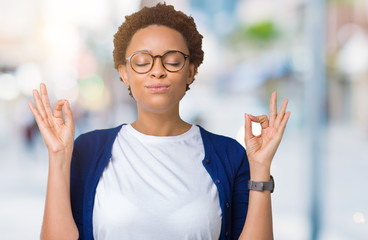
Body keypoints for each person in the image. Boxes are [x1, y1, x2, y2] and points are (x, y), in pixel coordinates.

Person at [28, 3, 290, 240]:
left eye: (172, 60)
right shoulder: (88, 149)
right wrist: (59, 157)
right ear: (124, 74)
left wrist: (261, 167)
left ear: (190, 71)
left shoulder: (230, 155)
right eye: (142, 61)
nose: (157, 70)